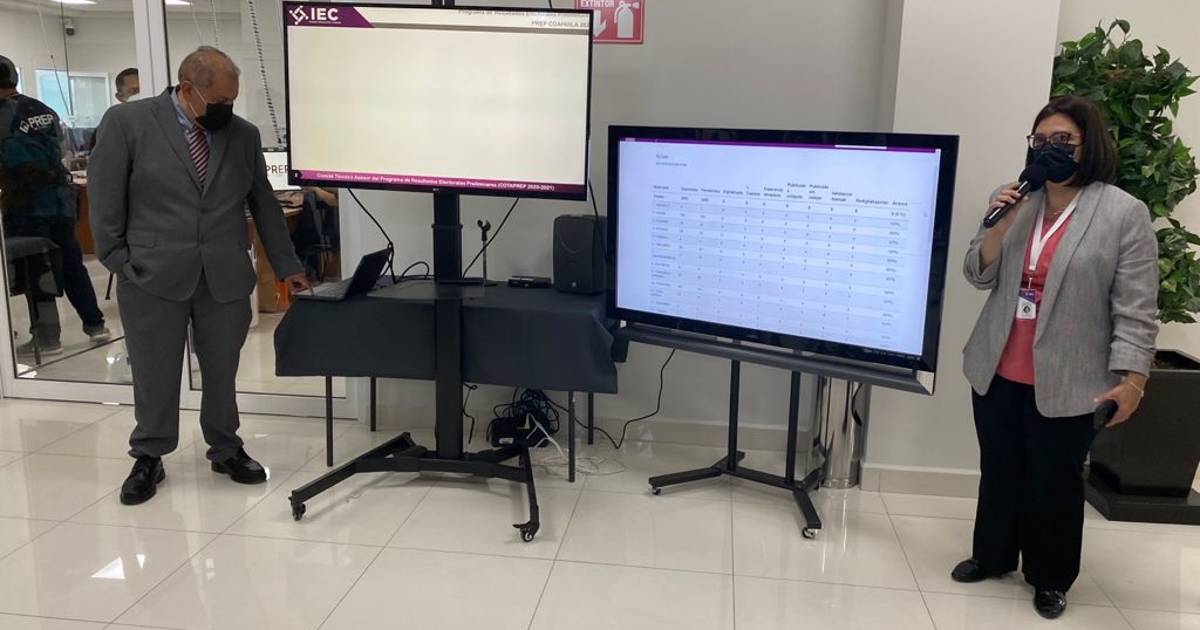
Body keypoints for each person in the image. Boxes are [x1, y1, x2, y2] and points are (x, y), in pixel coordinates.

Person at [957, 95, 1159, 619]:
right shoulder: (1016, 199)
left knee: (1055, 480)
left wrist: (1133, 379)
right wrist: (1000, 222)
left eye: (1063, 140)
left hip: (1072, 375)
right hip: (997, 365)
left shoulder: (1123, 213)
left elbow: (1137, 307)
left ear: (1089, 145)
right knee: (999, 468)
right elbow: (977, 273)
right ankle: (992, 555)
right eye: (1040, 140)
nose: (1049, 149)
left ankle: (1050, 576)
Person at [88, 46, 309, 505]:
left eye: (233, 100)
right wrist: (116, 258)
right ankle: (149, 454)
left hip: (223, 275)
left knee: (222, 370)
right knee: (154, 371)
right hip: (150, 273)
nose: (227, 109)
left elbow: (263, 203)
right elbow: (105, 194)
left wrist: (288, 266)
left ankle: (225, 447)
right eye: (220, 101)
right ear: (188, 90)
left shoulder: (243, 135)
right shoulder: (127, 123)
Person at [0, 54, 110, 358]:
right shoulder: (42, 109)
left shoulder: (3, 114)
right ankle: (95, 324)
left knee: (36, 267)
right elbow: (60, 148)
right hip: (60, 200)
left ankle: (47, 338)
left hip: (27, 204)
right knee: (71, 262)